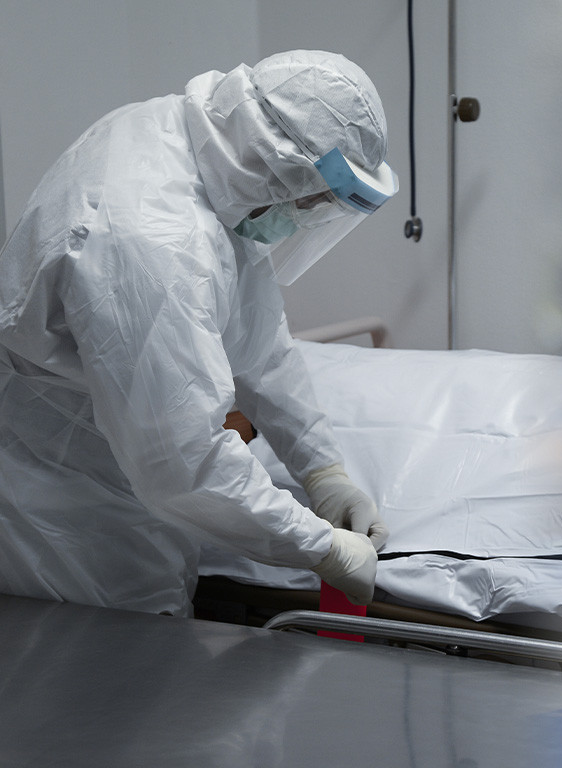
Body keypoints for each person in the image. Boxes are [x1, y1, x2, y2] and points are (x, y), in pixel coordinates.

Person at [0, 50, 397, 615]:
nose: (306, 211)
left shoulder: (195, 144)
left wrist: (322, 468)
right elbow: (184, 461)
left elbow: (253, 331)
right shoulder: (152, 242)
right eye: (312, 197)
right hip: (64, 493)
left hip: (113, 446)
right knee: (116, 652)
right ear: (281, 163)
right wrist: (322, 548)